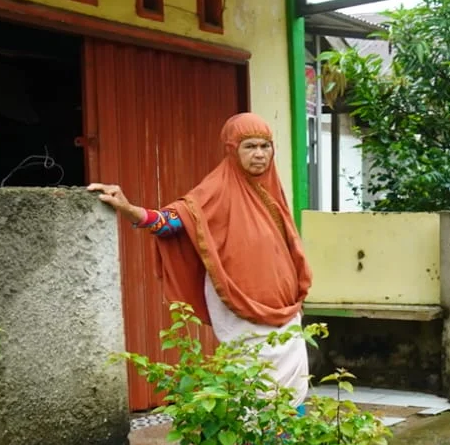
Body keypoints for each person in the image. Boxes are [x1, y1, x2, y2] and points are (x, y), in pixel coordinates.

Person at [88, 113, 312, 406]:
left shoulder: (271, 191)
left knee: (292, 393)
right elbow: (171, 221)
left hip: (286, 313)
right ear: (232, 150)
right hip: (241, 308)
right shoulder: (217, 188)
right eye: (249, 147)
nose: (259, 154)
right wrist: (130, 209)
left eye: (265, 146)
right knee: (254, 388)